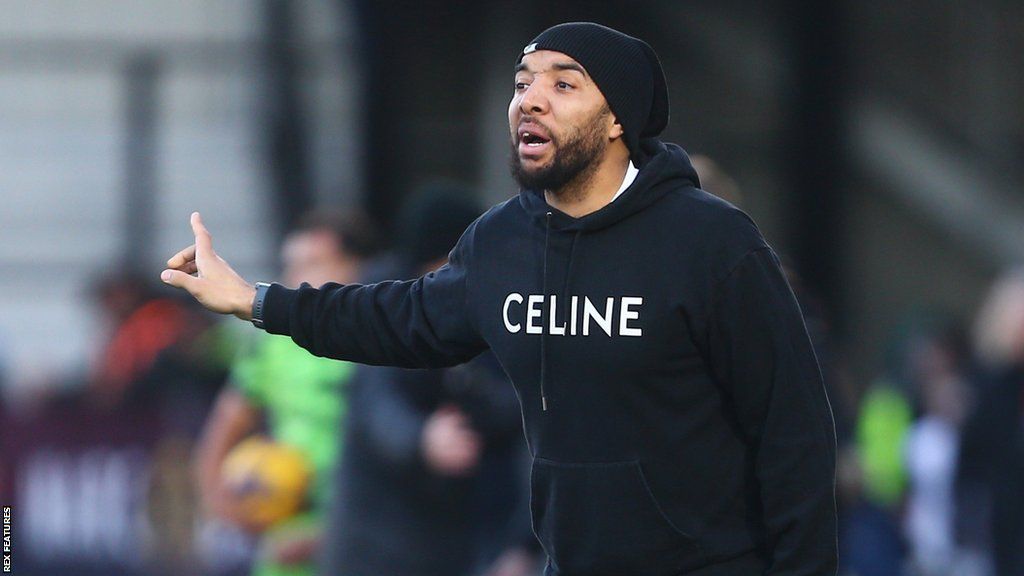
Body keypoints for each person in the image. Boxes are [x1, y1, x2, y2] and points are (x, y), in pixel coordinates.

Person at [163, 22, 838, 576]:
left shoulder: (712, 241)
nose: (529, 100)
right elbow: (396, 319)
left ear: (616, 122)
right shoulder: (504, 242)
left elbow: (793, 432)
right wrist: (254, 299)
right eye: (523, 85)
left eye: (563, 85)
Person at [323, 186, 536, 576]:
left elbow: (521, 412)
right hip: (378, 538)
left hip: (461, 535)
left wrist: (520, 544)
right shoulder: (384, 302)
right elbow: (376, 405)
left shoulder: (489, 305)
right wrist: (423, 438)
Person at [193, 210, 378, 576]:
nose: (296, 278)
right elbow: (225, 426)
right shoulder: (274, 345)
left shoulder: (386, 343)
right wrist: (222, 506)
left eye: (313, 263)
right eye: (290, 265)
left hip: (369, 540)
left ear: (358, 267)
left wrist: (333, 534)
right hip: (288, 544)